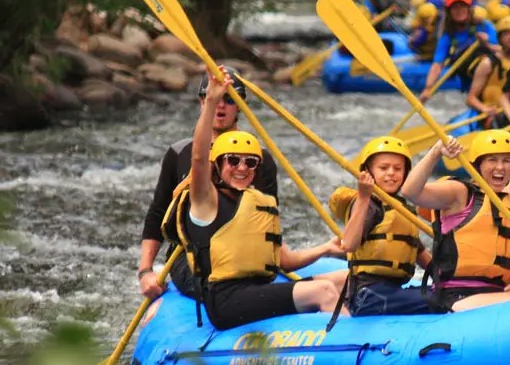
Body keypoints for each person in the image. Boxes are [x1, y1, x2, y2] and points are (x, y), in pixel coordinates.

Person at [161, 70, 342, 329]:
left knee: (343, 279)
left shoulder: (257, 203)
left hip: (254, 290)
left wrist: (326, 248)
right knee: (324, 291)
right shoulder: (206, 202)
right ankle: (346, 347)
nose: (242, 167)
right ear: (218, 165)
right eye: (233, 160)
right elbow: (199, 157)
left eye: (250, 162)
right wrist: (211, 101)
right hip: (226, 301)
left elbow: (284, 260)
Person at [137, 66, 278, 300]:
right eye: (213, 97)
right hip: (191, 254)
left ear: (240, 105)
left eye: (229, 99)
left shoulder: (258, 159)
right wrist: (145, 271)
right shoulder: (180, 153)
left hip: (241, 253)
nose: (221, 105)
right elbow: (157, 213)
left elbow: (270, 219)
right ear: (203, 102)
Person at [401, 131, 510, 312]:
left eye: (507, 161)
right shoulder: (460, 193)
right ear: (478, 165)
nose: (500, 167)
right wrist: (436, 152)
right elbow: (410, 191)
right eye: (492, 160)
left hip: (496, 292)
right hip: (456, 294)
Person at [330, 136, 434, 316]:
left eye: (398, 168)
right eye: (384, 168)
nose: (391, 173)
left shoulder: (402, 209)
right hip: (368, 296)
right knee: (439, 299)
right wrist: (363, 197)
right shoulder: (369, 204)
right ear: (368, 173)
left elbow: (421, 255)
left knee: (445, 293)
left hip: (391, 291)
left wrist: (455, 279)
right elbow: (348, 244)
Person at [420, 0, 492, 99]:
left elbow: (503, 51)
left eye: (462, 7)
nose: (459, 11)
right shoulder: (448, 36)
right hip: (469, 82)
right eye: (455, 8)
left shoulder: (484, 26)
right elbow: (437, 64)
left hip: (491, 79)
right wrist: (428, 88)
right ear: (449, 12)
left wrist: (487, 43)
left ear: (469, 9)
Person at [466, 15, 510, 122]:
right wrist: (485, 109)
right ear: (500, 38)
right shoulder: (488, 63)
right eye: (507, 34)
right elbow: (471, 99)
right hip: (494, 116)